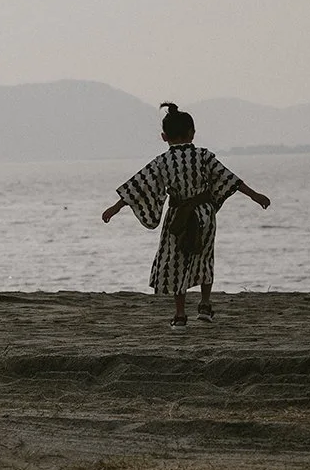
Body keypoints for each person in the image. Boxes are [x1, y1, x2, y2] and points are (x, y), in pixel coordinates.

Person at [102, 102, 271, 330]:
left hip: (177, 216)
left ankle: (180, 315)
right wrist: (255, 195)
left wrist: (115, 207)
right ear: (192, 133)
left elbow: (140, 185)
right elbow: (229, 178)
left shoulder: (162, 161)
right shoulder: (203, 156)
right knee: (204, 257)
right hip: (204, 214)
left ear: (164, 136)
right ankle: (204, 304)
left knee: (176, 262)